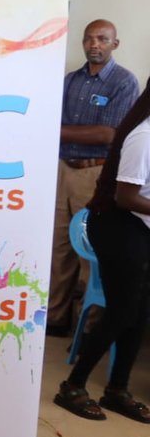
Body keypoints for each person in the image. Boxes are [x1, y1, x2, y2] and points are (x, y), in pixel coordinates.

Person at [53, 83, 150, 425]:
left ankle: (117, 390)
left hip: (138, 227)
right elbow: (126, 198)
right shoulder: (144, 136)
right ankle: (72, 386)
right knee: (122, 311)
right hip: (116, 225)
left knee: (139, 313)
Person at [47, 19, 139, 337]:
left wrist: (52, 131)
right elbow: (49, 116)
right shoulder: (69, 81)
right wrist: (56, 131)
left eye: (102, 39)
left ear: (115, 44)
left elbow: (108, 134)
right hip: (61, 170)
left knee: (91, 251)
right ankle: (56, 319)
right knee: (58, 248)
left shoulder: (124, 83)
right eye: (89, 39)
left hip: (95, 174)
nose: (94, 44)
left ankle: (89, 329)